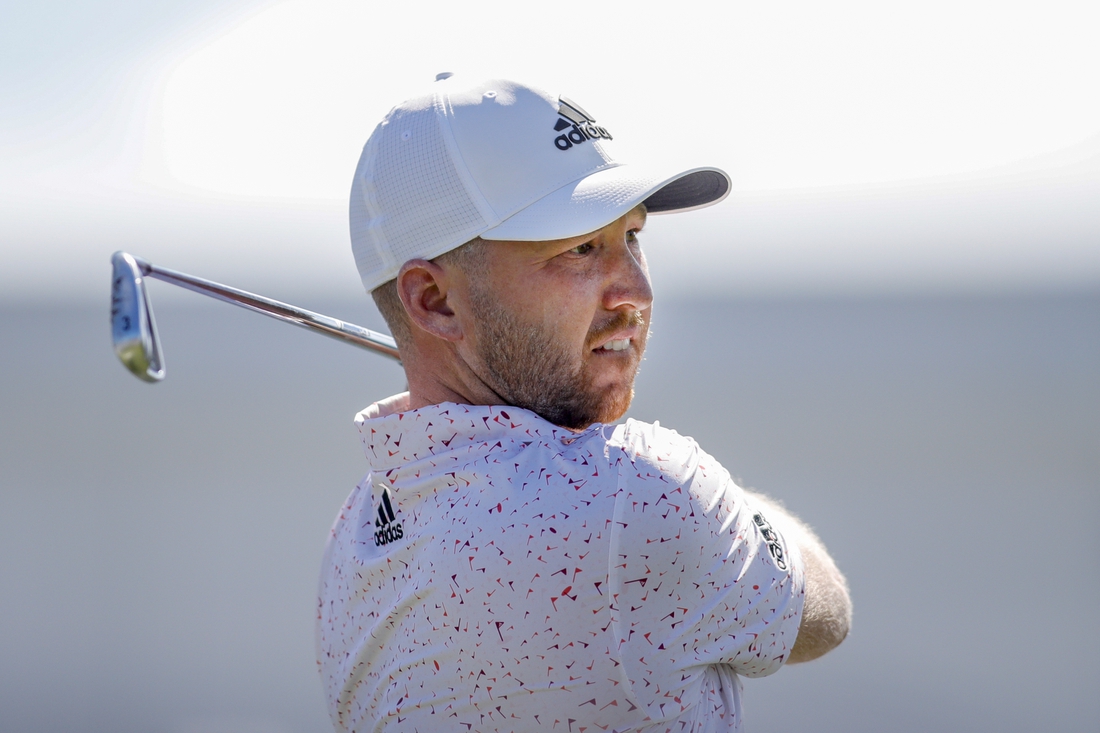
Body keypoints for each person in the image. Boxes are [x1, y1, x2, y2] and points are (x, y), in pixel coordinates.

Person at [316, 75, 851, 733]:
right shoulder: (640, 491)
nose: (638, 289)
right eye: (581, 248)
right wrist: (729, 503)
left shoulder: (357, 537)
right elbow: (825, 611)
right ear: (435, 301)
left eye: (632, 237)